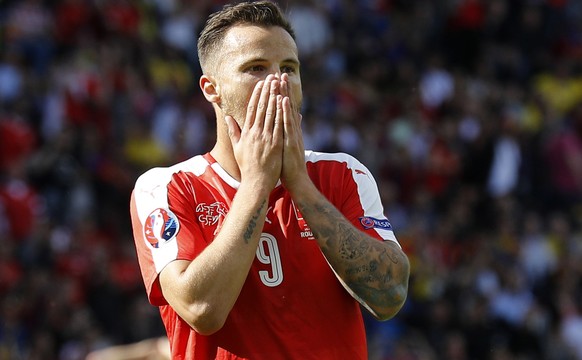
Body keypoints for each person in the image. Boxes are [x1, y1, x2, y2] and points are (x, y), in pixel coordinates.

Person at [129, 1, 410, 359]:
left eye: (289, 68)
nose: (278, 82)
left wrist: (300, 186)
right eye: (256, 68)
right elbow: (201, 309)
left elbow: (390, 296)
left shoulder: (342, 174)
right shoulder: (168, 187)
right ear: (211, 89)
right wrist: (256, 184)